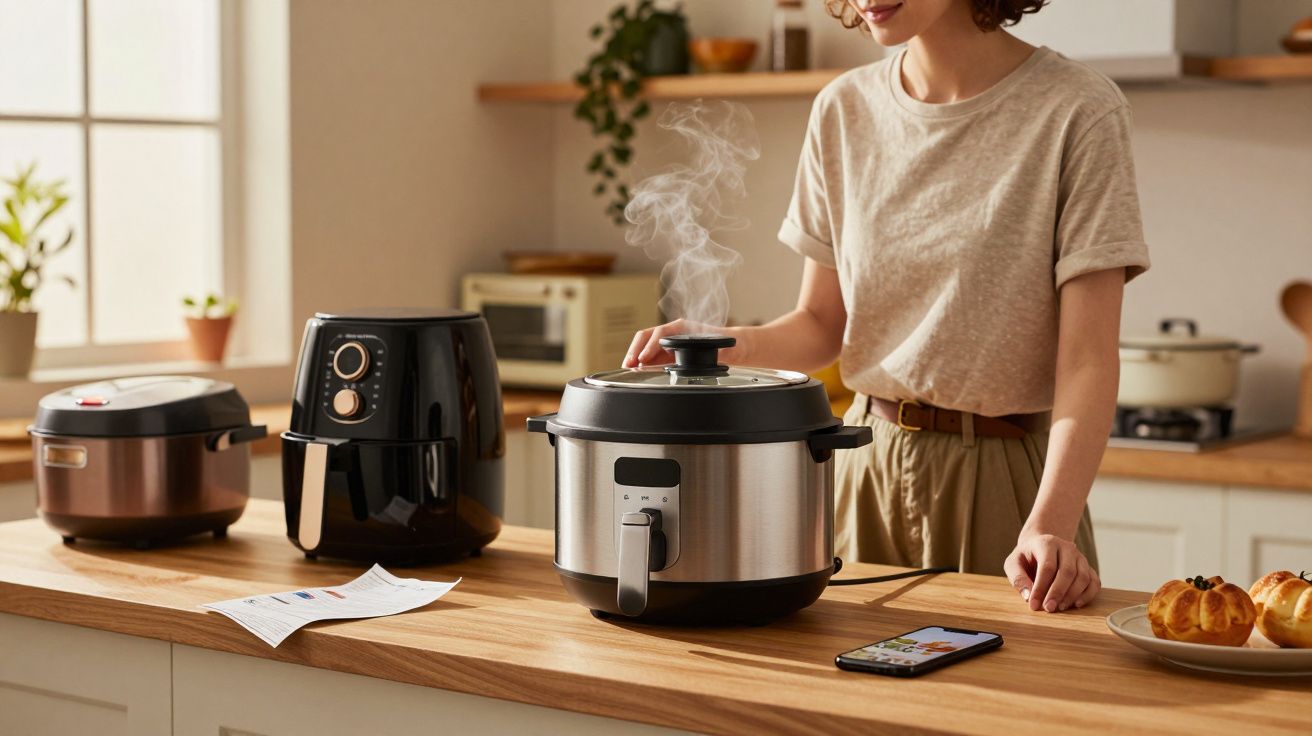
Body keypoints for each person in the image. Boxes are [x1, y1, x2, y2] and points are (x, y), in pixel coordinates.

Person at [623, 0, 1150, 614]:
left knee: (1004, 702)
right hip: (862, 467)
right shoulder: (844, 109)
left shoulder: (1077, 109)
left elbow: (1087, 359)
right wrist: (717, 343)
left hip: (1008, 485)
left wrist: (1049, 526)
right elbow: (821, 325)